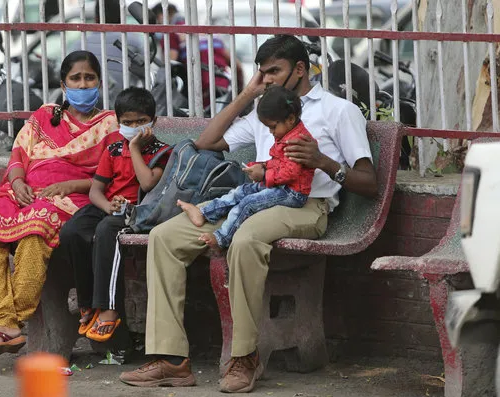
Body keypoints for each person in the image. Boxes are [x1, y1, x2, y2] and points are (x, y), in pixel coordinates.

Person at [119, 34, 378, 392]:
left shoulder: (337, 111)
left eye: (275, 71)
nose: (267, 78)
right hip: (255, 198)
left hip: (305, 206)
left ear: (300, 69)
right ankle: (171, 360)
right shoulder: (265, 112)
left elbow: (369, 181)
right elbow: (205, 142)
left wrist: (322, 162)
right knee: (164, 237)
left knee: (245, 238)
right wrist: (247, 94)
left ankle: (245, 356)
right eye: (263, 72)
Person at [0, 50, 120, 360]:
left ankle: (10, 323)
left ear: (99, 83)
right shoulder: (43, 115)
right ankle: (5, 324)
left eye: (88, 78)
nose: (82, 84)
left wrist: (71, 185)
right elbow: (17, 155)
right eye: (75, 79)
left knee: (34, 233)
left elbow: (114, 178)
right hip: (22, 192)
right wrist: (18, 182)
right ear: (63, 85)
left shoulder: (109, 125)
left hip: (72, 198)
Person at [58, 87, 171, 343]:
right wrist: (107, 204)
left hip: (138, 213)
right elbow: (96, 191)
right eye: (127, 122)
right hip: (110, 206)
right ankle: (87, 303)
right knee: (72, 231)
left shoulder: (163, 152)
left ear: (153, 121)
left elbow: (147, 184)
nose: (134, 126)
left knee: (107, 230)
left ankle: (109, 309)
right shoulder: (112, 150)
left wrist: (134, 149)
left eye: (141, 121)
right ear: (118, 122)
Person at [177, 85, 315, 249]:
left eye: (272, 127)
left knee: (248, 203)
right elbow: (279, 162)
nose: (270, 132)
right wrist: (261, 165)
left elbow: (290, 173)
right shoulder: (287, 133)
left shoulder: (297, 141)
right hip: (279, 186)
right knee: (240, 192)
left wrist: (263, 174)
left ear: (290, 119)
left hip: (292, 193)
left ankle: (221, 238)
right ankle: (204, 213)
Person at [70, 0, 144, 106]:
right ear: (121, 16)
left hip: (88, 105)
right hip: (124, 105)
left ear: (96, 17)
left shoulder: (81, 43)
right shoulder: (133, 40)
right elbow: (146, 71)